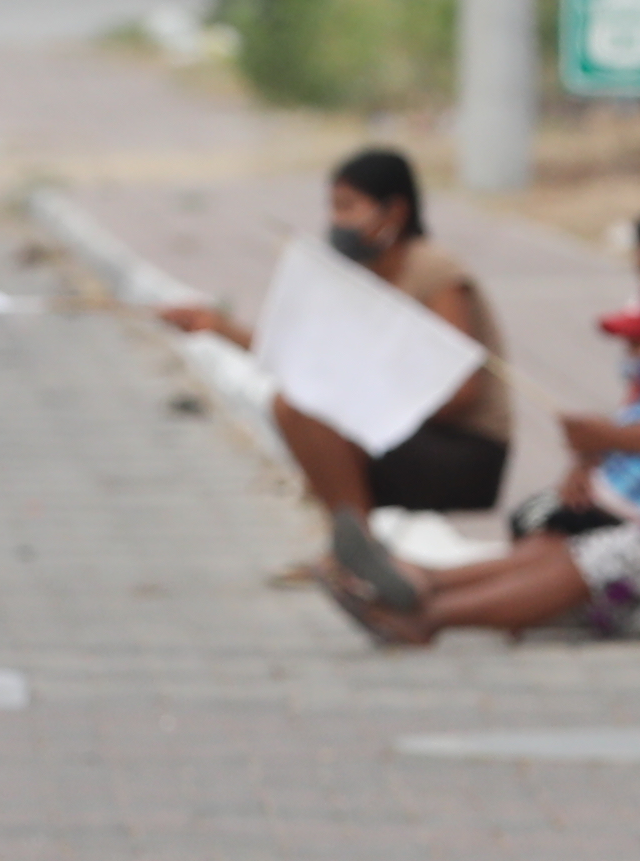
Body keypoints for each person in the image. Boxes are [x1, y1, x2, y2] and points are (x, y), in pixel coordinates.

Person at [327, 204, 640, 645]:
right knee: (557, 533)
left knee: (611, 553)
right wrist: (591, 462)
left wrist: (610, 439)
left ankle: (433, 615)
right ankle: (425, 581)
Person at [155, 146, 516, 561]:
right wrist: (216, 326)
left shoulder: (435, 272)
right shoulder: (361, 277)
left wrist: (365, 410)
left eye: (348, 207)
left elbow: (462, 393)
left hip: (464, 447)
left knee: (315, 411)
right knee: (292, 406)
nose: (337, 221)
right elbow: (312, 361)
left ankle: (358, 554)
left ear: (394, 211)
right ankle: (354, 546)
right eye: (334, 208)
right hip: (401, 430)